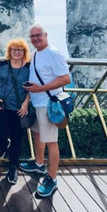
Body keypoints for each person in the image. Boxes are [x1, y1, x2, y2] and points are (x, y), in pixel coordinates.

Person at [21, 24, 71, 197]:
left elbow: (66, 78)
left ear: (46, 34)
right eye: (32, 36)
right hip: (36, 102)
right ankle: (39, 163)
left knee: (51, 141)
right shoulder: (34, 54)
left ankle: (52, 178)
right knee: (37, 134)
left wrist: (41, 88)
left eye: (38, 35)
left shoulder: (54, 53)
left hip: (48, 103)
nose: (35, 38)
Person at [0, 38, 31, 184]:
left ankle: (13, 167)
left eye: (19, 50)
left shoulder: (28, 67)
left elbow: (31, 87)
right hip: (2, 105)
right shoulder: (2, 64)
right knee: (0, 133)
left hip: (18, 108)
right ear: (10, 51)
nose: (16, 52)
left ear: (24, 52)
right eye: (14, 49)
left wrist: (26, 103)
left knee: (17, 138)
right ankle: (3, 145)